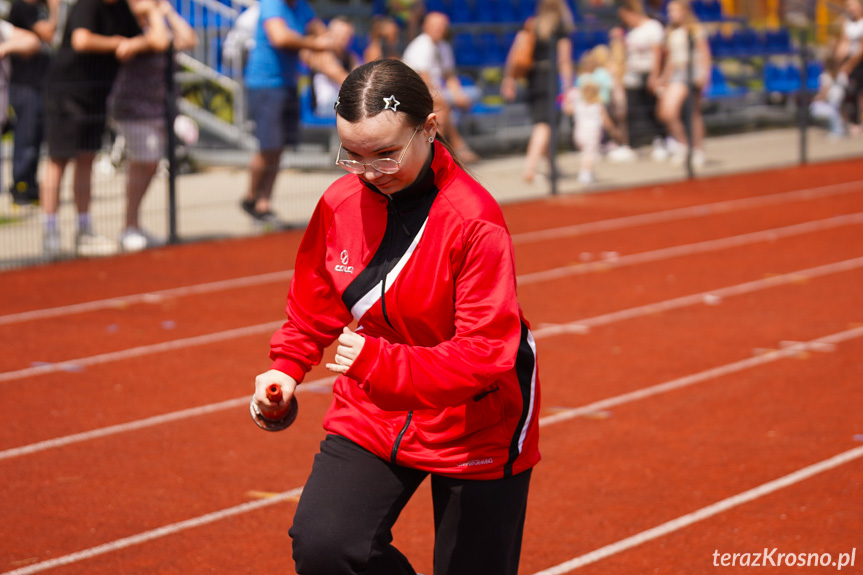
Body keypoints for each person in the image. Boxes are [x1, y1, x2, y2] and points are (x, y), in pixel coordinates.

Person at [252, 58, 540, 575]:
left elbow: (485, 354)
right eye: (352, 155)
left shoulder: (474, 221)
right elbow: (312, 305)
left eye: (386, 155)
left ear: (429, 128)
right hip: (374, 408)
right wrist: (285, 368)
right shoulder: (340, 202)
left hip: (476, 419)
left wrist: (377, 363)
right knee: (325, 545)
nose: (367, 172)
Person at [40, 0, 153, 257]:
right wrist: (118, 43)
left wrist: (136, 41)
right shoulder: (87, 5)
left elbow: (150, 39)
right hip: (66, 93)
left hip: (96, 96)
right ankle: (50, 231)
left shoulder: (123, 9)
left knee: (86, 159)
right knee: (58, 160)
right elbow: (82, 40)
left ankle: (83, 228)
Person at [108, 0, 196, 252]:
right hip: (133, 108)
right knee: (143, 162)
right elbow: (158, 40)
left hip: (158, 109)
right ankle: (129, 226)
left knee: (150, 164)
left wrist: (168, 12)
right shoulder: (132, 25)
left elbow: (189, 39)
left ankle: (134, 224)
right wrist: (154, 11)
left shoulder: (158, 28)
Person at [240, 0, 330, 225]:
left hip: (288, 83)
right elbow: (279, 37)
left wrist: (324, 38)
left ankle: (264, 205)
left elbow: (320, 29)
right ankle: (251, 199)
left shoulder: (301, 7)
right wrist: (314, 43)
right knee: (268, 145)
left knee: (279, 147)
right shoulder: (272, 4)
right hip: (265, 85)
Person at [501, 0, 574, 182]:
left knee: (545, 122)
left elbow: (515, 54)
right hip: (548, 79)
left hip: (532, 79)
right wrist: (568, 88)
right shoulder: (559, 26)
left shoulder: (531, 24)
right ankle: (530, 168)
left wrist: (509, 79)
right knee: (544, 124)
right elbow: (564, 60)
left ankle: (552, 167)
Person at [402, 11, 481, 163]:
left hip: (436, 89)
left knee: (473, 94)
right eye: (436, 26)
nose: (440, 29)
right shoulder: (421, 45)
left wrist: (458, 94)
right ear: (426, 27)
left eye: (442, 26)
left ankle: (443, 149)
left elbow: (449, 76)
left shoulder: (443, 46)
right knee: (441, 108)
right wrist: (443, 97)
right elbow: (423, 79)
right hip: (416, 91)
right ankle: (449, 147)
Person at [7, 0, 58, 207]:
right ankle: (20, 187)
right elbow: (48, 34)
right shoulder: (22, 7)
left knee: (37, 137)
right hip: (24, 84)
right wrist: (56, 8)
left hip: (40, 83)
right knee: (25, 137)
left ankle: (30, 185)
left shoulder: (39, 7)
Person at [655, 0, 711, 167]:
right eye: (669, 11)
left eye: (674, 11)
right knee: (666, 112)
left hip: (691, 72)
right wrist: (663, 78)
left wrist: (705, 76)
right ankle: (683, 144)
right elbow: (671, 59)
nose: (671, 14)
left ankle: (697, 149)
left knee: (693, 113)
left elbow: (704, 54)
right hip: (676, 73)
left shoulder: (695, 30)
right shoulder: (671, 31)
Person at [614, 0, 667, 161]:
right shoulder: (631, 31)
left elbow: (657, 53)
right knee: (631, 109)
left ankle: (661, 141)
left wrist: (655, 75)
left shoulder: (652, 27)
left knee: (653, 108)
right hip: (633, 75)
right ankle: (629, 145)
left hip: (648, 72)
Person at [301, 17, 360, 117]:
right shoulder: (323, 55)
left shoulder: (350, 57)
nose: (344, 38)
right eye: (339, 34)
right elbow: (343, 79)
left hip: (342, 106)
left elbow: (361, 77)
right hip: (325, 109)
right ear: (330, 34)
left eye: (347, 35)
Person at [565, 80, 619, 183]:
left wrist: (567, 97)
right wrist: (613, 130)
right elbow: (605, 120)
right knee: (589, 154)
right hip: (592, 134)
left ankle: (589, 171)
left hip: (579, 134)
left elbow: (567, 109)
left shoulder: (578, 104)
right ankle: (585, 173)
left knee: (585, 154)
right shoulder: (597, 105)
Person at [834, 0, 863, 136]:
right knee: (851, 92)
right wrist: (839, 62)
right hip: (852, 63)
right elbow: (844, 44)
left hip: (859, 62)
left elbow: (861, 48)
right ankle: (854, 122)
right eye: (848, 7)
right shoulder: (848, 24)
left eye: (853, 6)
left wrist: (849, 65)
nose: (851, 9)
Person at [810, 55, 847, 138]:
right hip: (835, 105)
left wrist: (815, 98)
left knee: (816, 107)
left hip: (835, 105)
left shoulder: (832, 77)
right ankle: (838, 129)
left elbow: (824, 95)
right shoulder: (840, 76)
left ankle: (837, 130)